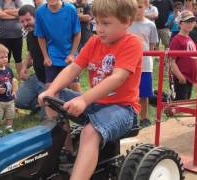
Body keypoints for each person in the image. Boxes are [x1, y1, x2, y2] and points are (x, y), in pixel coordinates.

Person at [38, 0, 142, 179]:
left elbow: (118, 78)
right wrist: (51, 89)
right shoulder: (95, 42)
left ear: (126, 21)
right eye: (96, 22)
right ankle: (66, 152)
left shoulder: (132, 43)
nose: (99, 29)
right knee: (52, 96)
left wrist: (84, 99)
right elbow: (73, 68)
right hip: (96, 104)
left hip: (123, 109)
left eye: (106, 23)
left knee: (90, 131)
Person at [34, 0, 82, 92]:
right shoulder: (40, 12)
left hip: (68, 54)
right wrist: (45, 56)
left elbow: (77, 33)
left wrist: (72, 54)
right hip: (52, 57)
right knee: (49, 90)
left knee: (75, 88)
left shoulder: (70, 9)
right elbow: (40, 36)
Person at [128, 0, 158, 127]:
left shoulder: (150, 25)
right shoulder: (126, 24)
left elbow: (151, 46)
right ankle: (131, 118)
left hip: (145, 65)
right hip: (129, 64)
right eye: (134, 7)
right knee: (130, 93)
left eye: (140, 7)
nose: (137, 10)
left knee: (144, 94)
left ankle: (144, 118)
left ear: (145, 6)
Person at [16, 5, 46, 114]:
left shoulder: (48, 33)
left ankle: (49, 102)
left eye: (28, 20)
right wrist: (24, 68)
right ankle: (38, 104)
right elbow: (30, 54)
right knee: (18, 101)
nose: (25, 24)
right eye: (22, 21)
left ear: (36, 17)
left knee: (48, 119)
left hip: (51, 80)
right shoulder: (29, 35)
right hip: (37, 77)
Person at [169, 10, 197, 100]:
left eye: (192, 21)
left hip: (189, 79)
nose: (190, 24)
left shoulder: (190, 39)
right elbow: (171, 61)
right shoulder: (176, 40)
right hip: (181, 79)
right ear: (180, 23)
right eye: (187, 21)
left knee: (186, 104)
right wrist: (180, 76)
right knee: (180, 106)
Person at [0, 0, 23, 76]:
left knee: (18, 58)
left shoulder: (17, 1)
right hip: (3, 36)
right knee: (5, 58)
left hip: (17, 36)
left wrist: (6, 11)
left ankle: (22, 78)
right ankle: (8, 78)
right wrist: (15, 15)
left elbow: (21, 12)